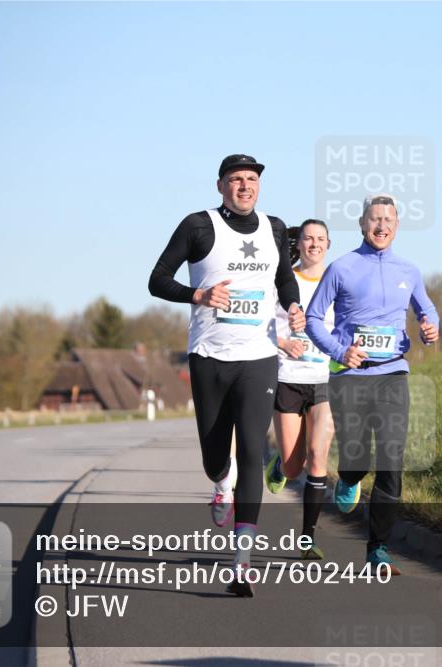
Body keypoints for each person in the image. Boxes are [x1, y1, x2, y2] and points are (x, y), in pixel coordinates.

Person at [148, 154, 305, 596]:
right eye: (235, 180)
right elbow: (157, 280)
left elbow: (284, 278)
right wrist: (197, 293)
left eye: (251, 180)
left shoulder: (275, 228)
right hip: (209, 357)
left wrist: (292, 306)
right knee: (216, 456)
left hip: (258, 358)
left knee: (254, 450)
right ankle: (221, 480)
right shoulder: (198, 227)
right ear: (220, 186)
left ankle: (242, 561)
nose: (244, 187)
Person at [305, 194, 439, 575]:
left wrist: (431, 328)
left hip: (393, 372)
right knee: (358, 457)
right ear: (363, 224)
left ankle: (377, 548)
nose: (382, 226)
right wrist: (340, 350)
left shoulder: (409, 270)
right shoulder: (341, 267)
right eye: (375, 219)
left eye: (389, 220)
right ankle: (348, 476)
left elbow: (426, 308)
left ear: (397, 227)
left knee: (392, 460)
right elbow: (314, 319)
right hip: (350, 377)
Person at [265, 219, 336, 560]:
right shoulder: (283, 282)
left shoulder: (337, 283)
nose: (314, 244)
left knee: (318, 457)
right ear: (299, 244)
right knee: (295, 468)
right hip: (288, 378)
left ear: (328, 244)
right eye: (308, 238)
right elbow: (260, 327)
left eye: (320, 239)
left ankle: (307, 539)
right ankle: (280, 465)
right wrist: (282, 344)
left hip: (322, 380)